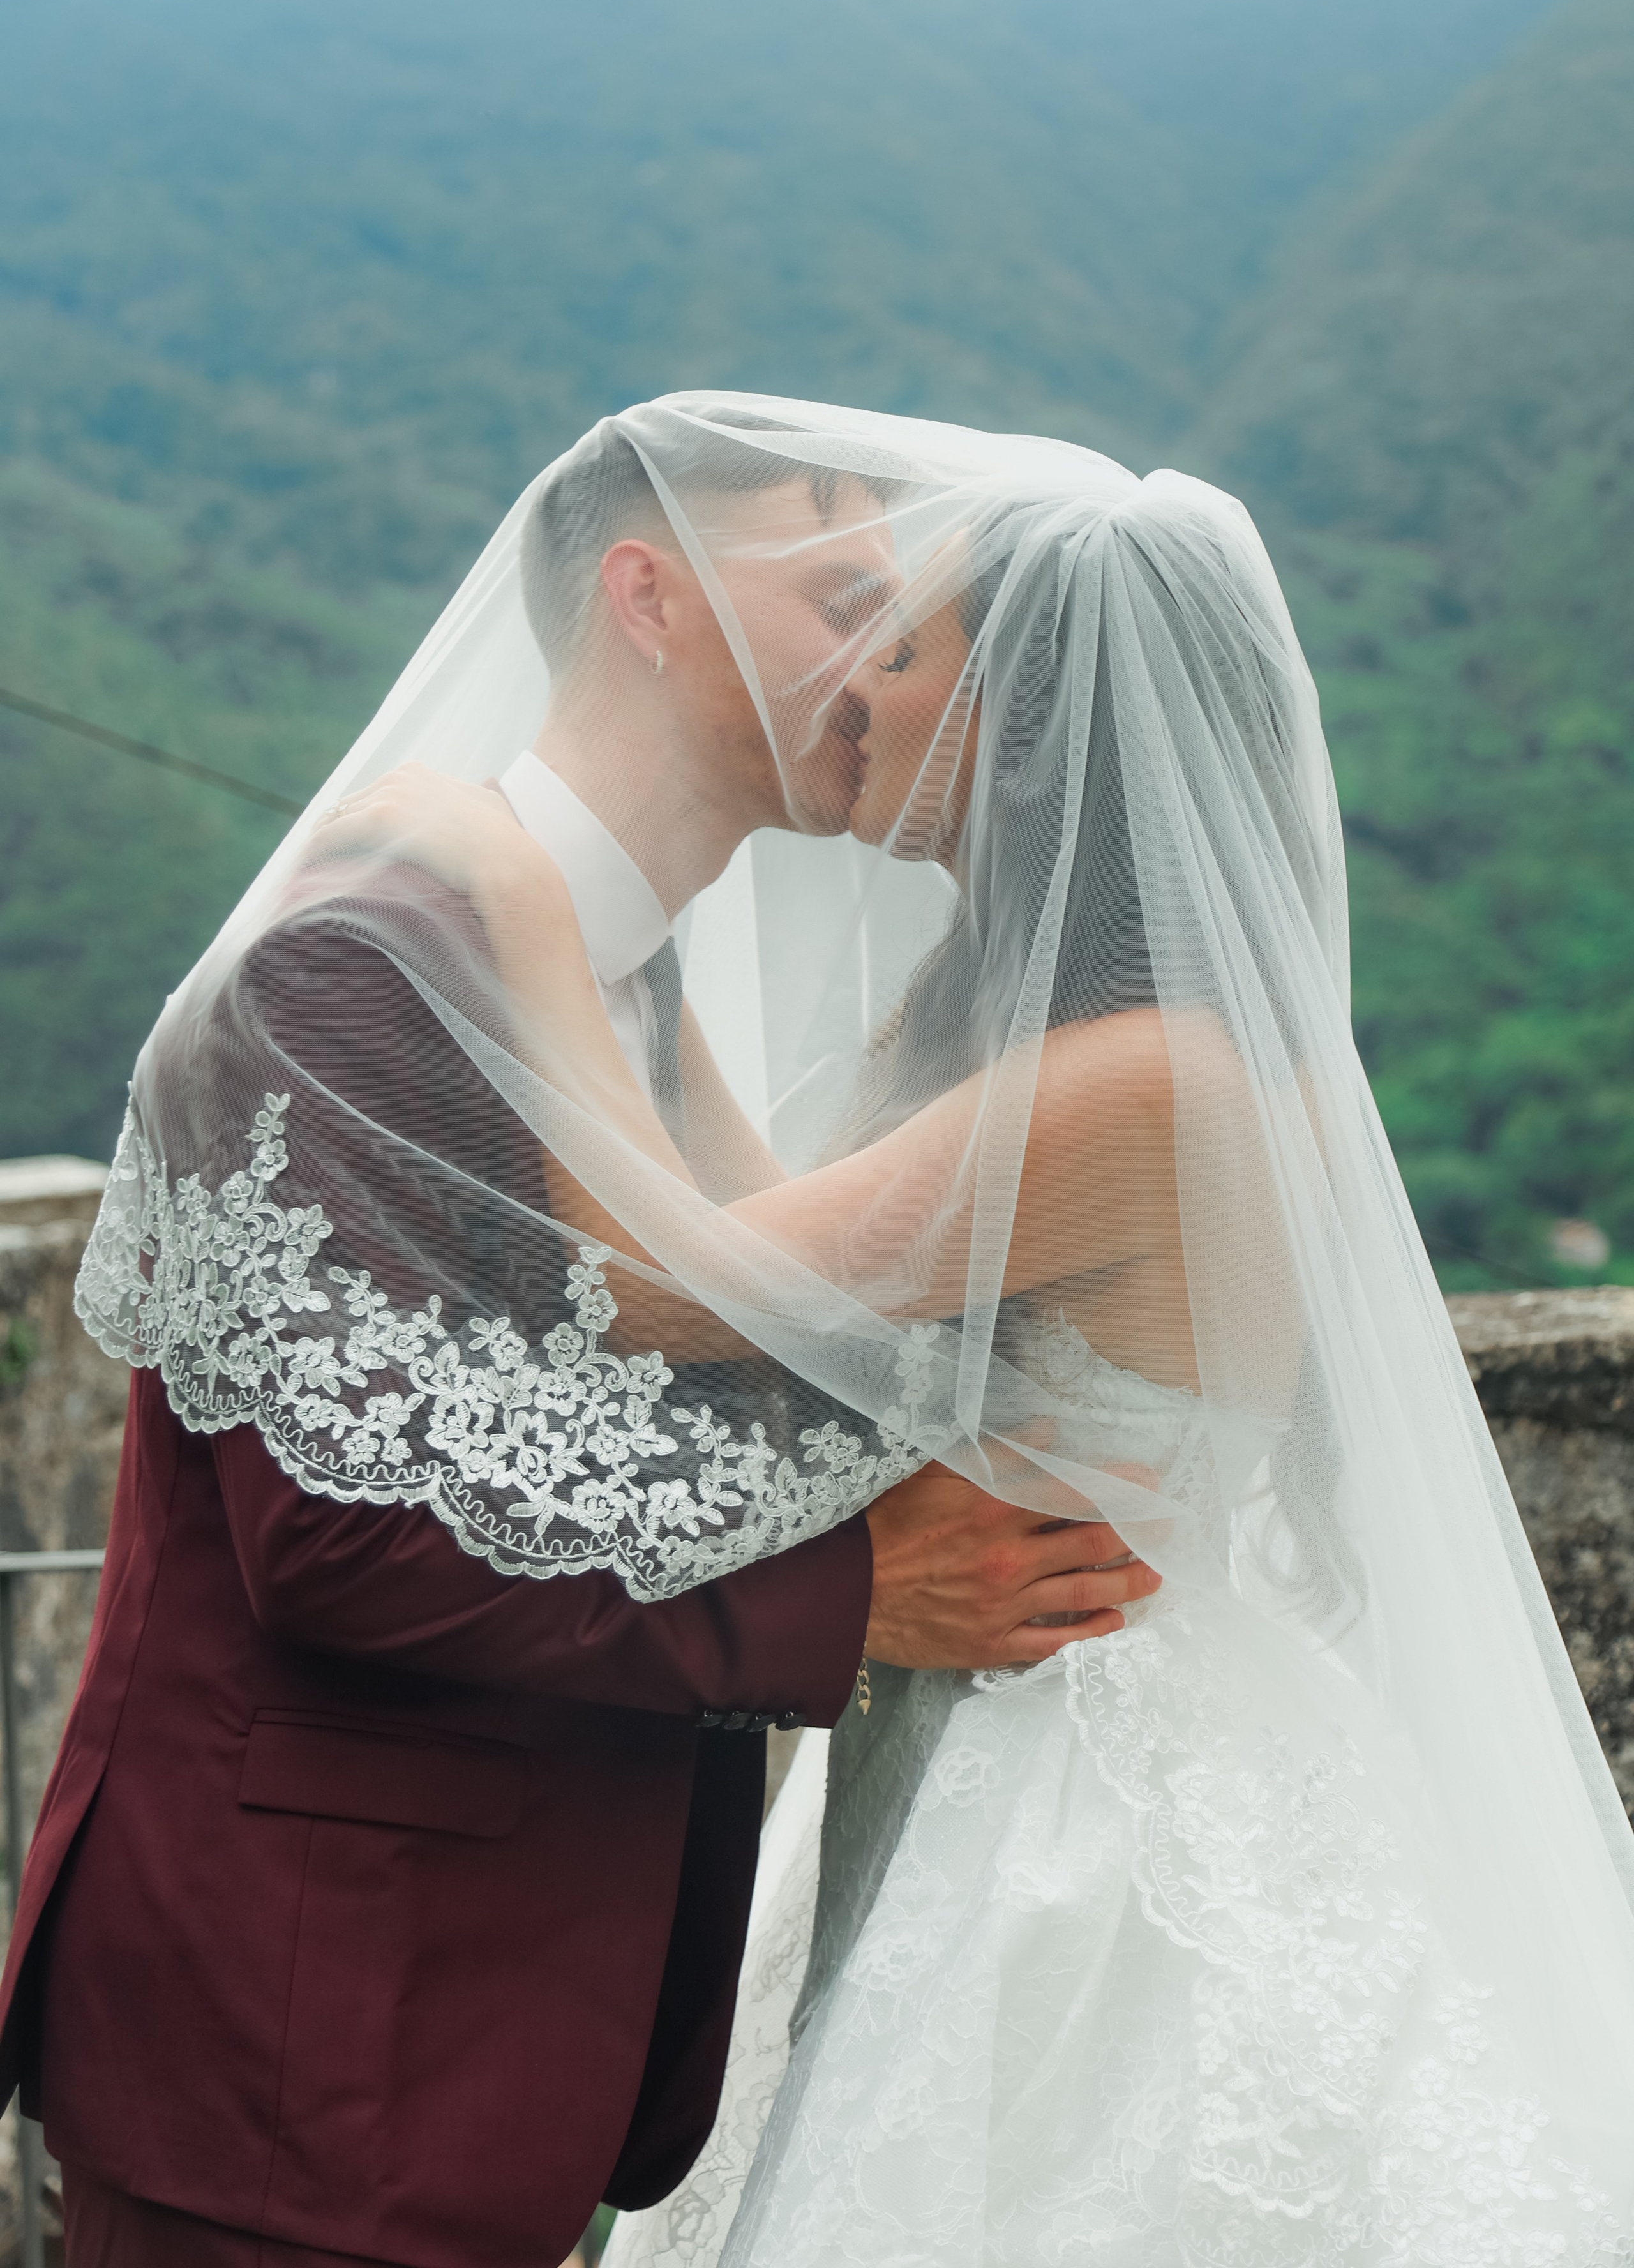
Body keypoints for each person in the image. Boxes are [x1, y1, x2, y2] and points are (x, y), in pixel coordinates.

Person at [329, 395, 1634, 2263]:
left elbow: (671, 1288)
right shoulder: (1071, 1052)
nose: (859, 678)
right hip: (987, 1724)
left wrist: (521, 901)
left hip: (1081, 1799)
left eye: (910, 645)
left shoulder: (1145, 1082)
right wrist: (655, 948)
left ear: (1026, 724)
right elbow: (779, 1256)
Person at [0, 405, 1155, 2268]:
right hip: (305, 2040)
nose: (891, 655)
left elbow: (723, 1345)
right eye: (846, 592)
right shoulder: (361, 965)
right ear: (650, 598)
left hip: (513, 2023)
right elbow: (337, 1537)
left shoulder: (636, 985)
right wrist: (853, 1601)